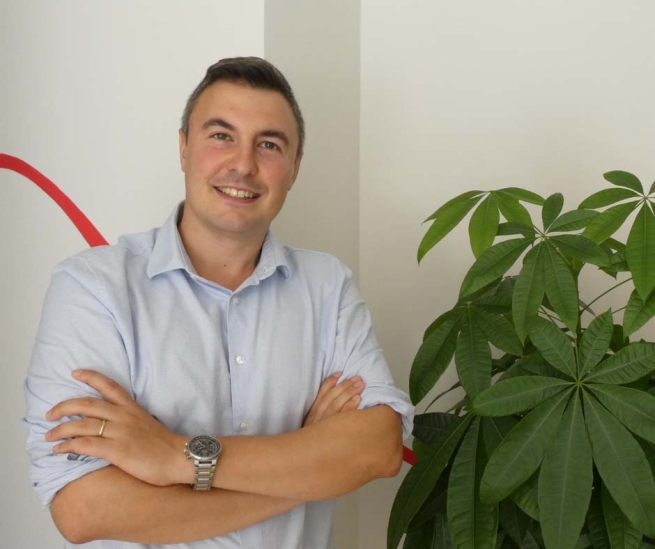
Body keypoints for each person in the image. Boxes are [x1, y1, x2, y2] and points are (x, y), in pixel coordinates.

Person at [23, 56, 414, 549]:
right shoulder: (92, 288)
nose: (243, 165)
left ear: (295, 169)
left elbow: (378, 449)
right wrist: (304, 467)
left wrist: (174, 455)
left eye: (269, 144)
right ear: (184, 147)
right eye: (221, 135)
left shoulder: (327, 286)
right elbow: (84, 509)